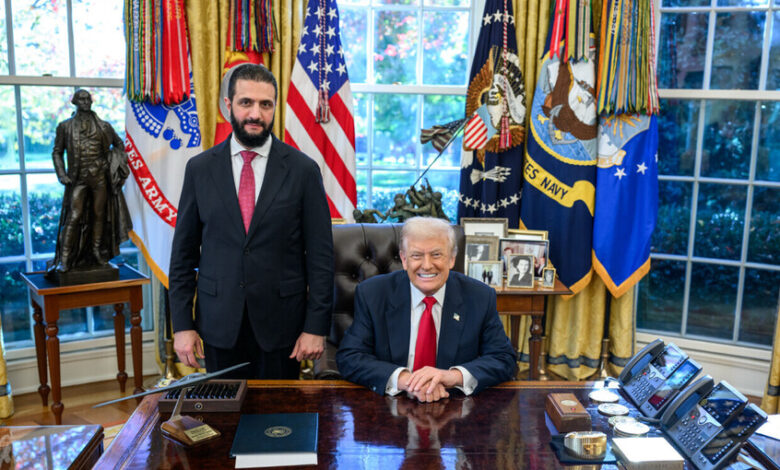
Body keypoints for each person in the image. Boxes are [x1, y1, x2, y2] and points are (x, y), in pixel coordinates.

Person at [169, 64, 333, 379]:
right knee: (224, 409)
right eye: (246, 102)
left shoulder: (303, 170)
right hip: (218, 325)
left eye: (265, 104)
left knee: (277, 412)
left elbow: (321, 258)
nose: (255, 114)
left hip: (283, 327)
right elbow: (183, 257)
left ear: (275, 108)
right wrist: (182, 325)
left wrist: (315, 327)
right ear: (229, 105)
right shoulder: (200, 169)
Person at [336, 217, 516, 402]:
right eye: (416, 256)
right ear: (404, 259)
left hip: (454, 403)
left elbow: (503, 358)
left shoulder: (479, 296)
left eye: (436, 255)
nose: (427, 265)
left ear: (452, 259)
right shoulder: (373, 294)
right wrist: (405, 380)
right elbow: (350, 357)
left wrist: (453, 376)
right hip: (391, 402)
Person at [50, 89, 132, 273]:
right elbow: (57, 152)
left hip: (100, 178)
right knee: (74, 216)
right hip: (77, 179)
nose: (86, 102)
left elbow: (119, 145)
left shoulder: (104, 126)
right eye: (82, 99)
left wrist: (111, 162)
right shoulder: (65, 127)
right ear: (75, 102)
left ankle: (97, 252)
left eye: (88, 99)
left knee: (99, 215)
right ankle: (64, 259)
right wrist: (62, 174)